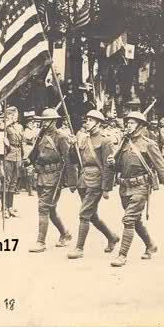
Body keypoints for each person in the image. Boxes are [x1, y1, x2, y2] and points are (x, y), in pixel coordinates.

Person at [107, 111, 164, 267]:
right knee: (136, 221)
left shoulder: (149, 144)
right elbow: (118, 167)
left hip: (141, 187)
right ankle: (151, 245)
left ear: (140, 125)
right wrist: (112, 163)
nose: (128, 125)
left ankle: (122, 255)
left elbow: (162, 167)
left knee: (129, 219)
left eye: (132, 123)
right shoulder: (123, 143)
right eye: (127, 123)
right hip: (125, 187)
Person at [67, 110, 120, 260]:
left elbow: (108, 166)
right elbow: (74, 160)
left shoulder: (105, 141)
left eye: (91, 120)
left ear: (98, 123)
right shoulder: (83, 139)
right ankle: (112, 237)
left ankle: (79, 248)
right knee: (92, 215)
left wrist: (106, 188)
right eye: (86, 120)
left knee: (84, 214)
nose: (87, 123)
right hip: (83, 179)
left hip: (96, 180)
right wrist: (72, 146)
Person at [27, 108, 73, 253]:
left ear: (53, 121)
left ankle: (40, 242)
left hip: (54, 177)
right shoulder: (41, 134)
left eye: (46, 120)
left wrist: (72, 181)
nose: (44, 123)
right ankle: (65, 234)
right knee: (50, 209)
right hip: (41, 175)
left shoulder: (61, 137)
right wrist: (28, 160)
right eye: (42, 121)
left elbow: (69, 161)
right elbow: (35, 152)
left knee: (43, 208)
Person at [4, 106, 24, 218]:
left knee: (13, 182)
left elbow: (21, 143)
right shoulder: (5, 126)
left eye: (16, 114)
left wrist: (22, 156)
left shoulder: (19, 127)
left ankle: (10, 206)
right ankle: (4, 208)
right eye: (14, 115)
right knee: (6, 182)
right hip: (8, 155)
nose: (16, 116)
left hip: (17, 155)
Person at [21, 112, 38, 196]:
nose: (32, 124)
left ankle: (33, 187)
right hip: (27, 149)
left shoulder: (32, 130)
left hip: (32, 149)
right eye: (31, 123)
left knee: (33, 170)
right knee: (29, 170)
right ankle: (29, 189)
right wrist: (35, 131)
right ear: (27, 124)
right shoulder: (27, 131)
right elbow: (30, 138)